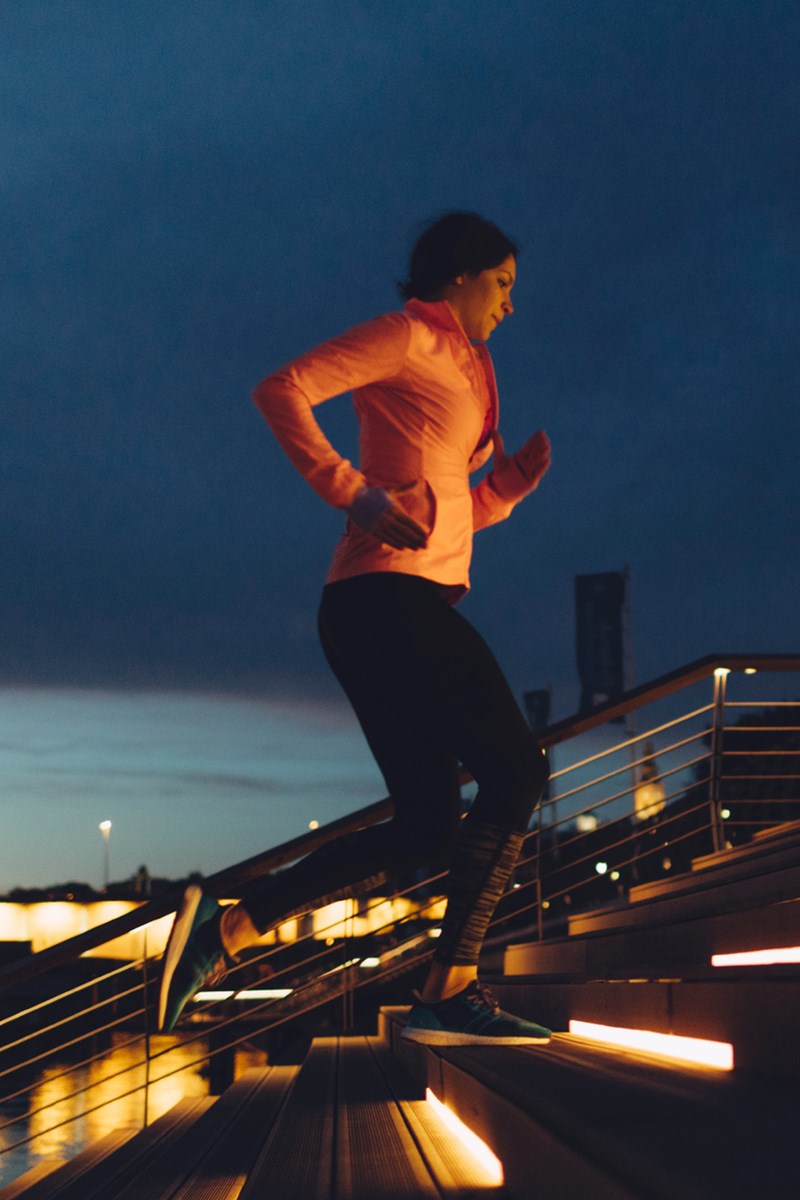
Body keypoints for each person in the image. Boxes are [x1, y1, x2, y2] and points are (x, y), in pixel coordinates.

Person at [158, 211, 553, 1043]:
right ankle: (450, 990)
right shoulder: (408, 337)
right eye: (504, 284)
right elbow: (281, 389)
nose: (512, 305)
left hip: (392, 603)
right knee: (515, 770)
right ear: (459, 275)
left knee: (427, 822)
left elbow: (441, 515)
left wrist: (504, 492)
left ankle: (225, 931)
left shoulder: (467, 366)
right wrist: (350, 491)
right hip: (383, 603)